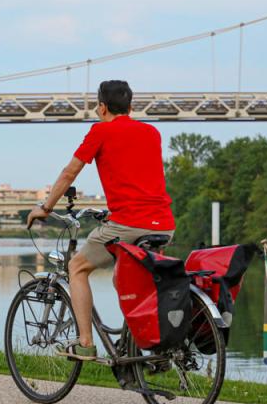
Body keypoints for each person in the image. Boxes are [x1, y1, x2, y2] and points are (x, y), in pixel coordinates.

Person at [26, 80, 176, 360]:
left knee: (77, 267)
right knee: (129, 281)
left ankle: (85, 343)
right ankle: (151, 350)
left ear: (102, 107)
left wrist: (45, 208)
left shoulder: (101, 131)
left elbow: (70, 173)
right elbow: (138, 177)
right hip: (164, 224)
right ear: (131, 107)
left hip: (128, 224)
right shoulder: (151, 132)